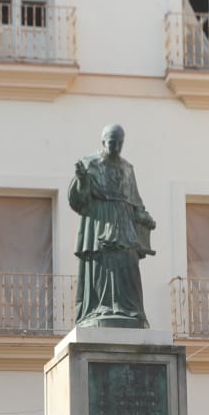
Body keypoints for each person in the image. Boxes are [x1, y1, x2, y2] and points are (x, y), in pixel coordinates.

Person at [68, 123, 156, 328]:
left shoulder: (127, 168)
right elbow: (80, 200)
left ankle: (129, 310)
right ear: (103, 142)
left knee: (128, 263)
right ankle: (99, 308)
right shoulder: (89, 164)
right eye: (111, 142)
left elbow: (135, 200)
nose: (115, 147)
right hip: (100, 222)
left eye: (119, 143)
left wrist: (143, 216)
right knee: (102, 264)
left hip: (124, 223)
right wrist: (82, 179)